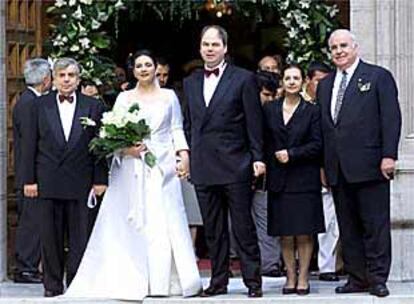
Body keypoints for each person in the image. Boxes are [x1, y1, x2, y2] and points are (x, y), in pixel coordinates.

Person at [64, 50, 202, 300]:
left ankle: (164, 282)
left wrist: (184, 156)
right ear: (133, 70)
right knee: (133, 220)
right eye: (139, 66)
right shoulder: (124, 98)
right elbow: (111, 133)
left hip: (163, 165)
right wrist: (127, 148)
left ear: (155, 67)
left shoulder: (169, 96)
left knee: (163, 220)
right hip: (131, 167)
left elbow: (176, 128)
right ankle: (132, 276)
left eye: (148, 64)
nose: (144, 69)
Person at [317, 29, 402, 297]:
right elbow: (324, 128)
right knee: (348, 227)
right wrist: (323, 165)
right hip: (337, 169)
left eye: (344, 45)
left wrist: (389, 155)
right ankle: (357, 278)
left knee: (374, 226)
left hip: (371, 165)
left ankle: (377, 278)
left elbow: (391, 118)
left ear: (355, 47)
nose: (339, 51)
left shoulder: (378, 77)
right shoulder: (326, 84)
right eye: (334, 47)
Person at [183, 25, 265, 298]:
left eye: (215, 44)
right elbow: (188, 124)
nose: (209, 49)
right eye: (205, 44)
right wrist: (187, 154)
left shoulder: (243, 79)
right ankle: (218, 282)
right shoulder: (191, 81)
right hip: (204, 165)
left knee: (243, 226)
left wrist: (258, 158)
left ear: (225, 48)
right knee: (213, 230)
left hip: (236, 164)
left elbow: (255, 123)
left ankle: (253, 282)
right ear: (200, 48)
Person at [21, 58, 108, 297]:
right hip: (48, 180)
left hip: (81, 181)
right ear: (53, 78)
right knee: (50, 238)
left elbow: (99, 146)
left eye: (71, 75)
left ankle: (78, 284)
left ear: (79, 79)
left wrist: (100, 180)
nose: (67, 79)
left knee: (80, 237)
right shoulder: (38, 105)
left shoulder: (94, 106)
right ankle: (52, 286)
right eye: (62, 75)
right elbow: (29, 144)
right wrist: (29, 180)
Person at [263, 64, 325, 295]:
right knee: (285, 232)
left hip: (304, 178)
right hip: (279, 178)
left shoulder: (312, 111)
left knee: (304, 232)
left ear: (302, 82)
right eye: (287, 77)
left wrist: (293, 154)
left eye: (295, 78)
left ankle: (303, 277)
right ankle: (289, 277)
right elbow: (263, 139)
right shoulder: (270, 109)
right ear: (282, 81)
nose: (291, 81)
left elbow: (318, 144)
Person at [12, 58, 51, 284]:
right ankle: (25, 267)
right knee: (31, 223)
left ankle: (30, 266)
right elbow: (28, 144)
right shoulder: (30, 103)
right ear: (46, 80)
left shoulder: (28, 100)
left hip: (33, 175)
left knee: (36, 221)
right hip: (30, 177)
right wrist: (30, 180)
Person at [304, 62, 340, 282]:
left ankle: (327, 267)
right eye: (318, 80)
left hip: (327, 170)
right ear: (308, 81)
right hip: (301, 171)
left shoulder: (330, 103)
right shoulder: (301, 104)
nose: (322, 85)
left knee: (330, 222)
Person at [251, 70, 283, 277]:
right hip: (241, 172)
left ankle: (270, 264)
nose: (270, 100)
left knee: (265, 217)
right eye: (266, 95)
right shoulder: (246, 111)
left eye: (273, 96)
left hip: (269, 176)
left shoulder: (277, 113)